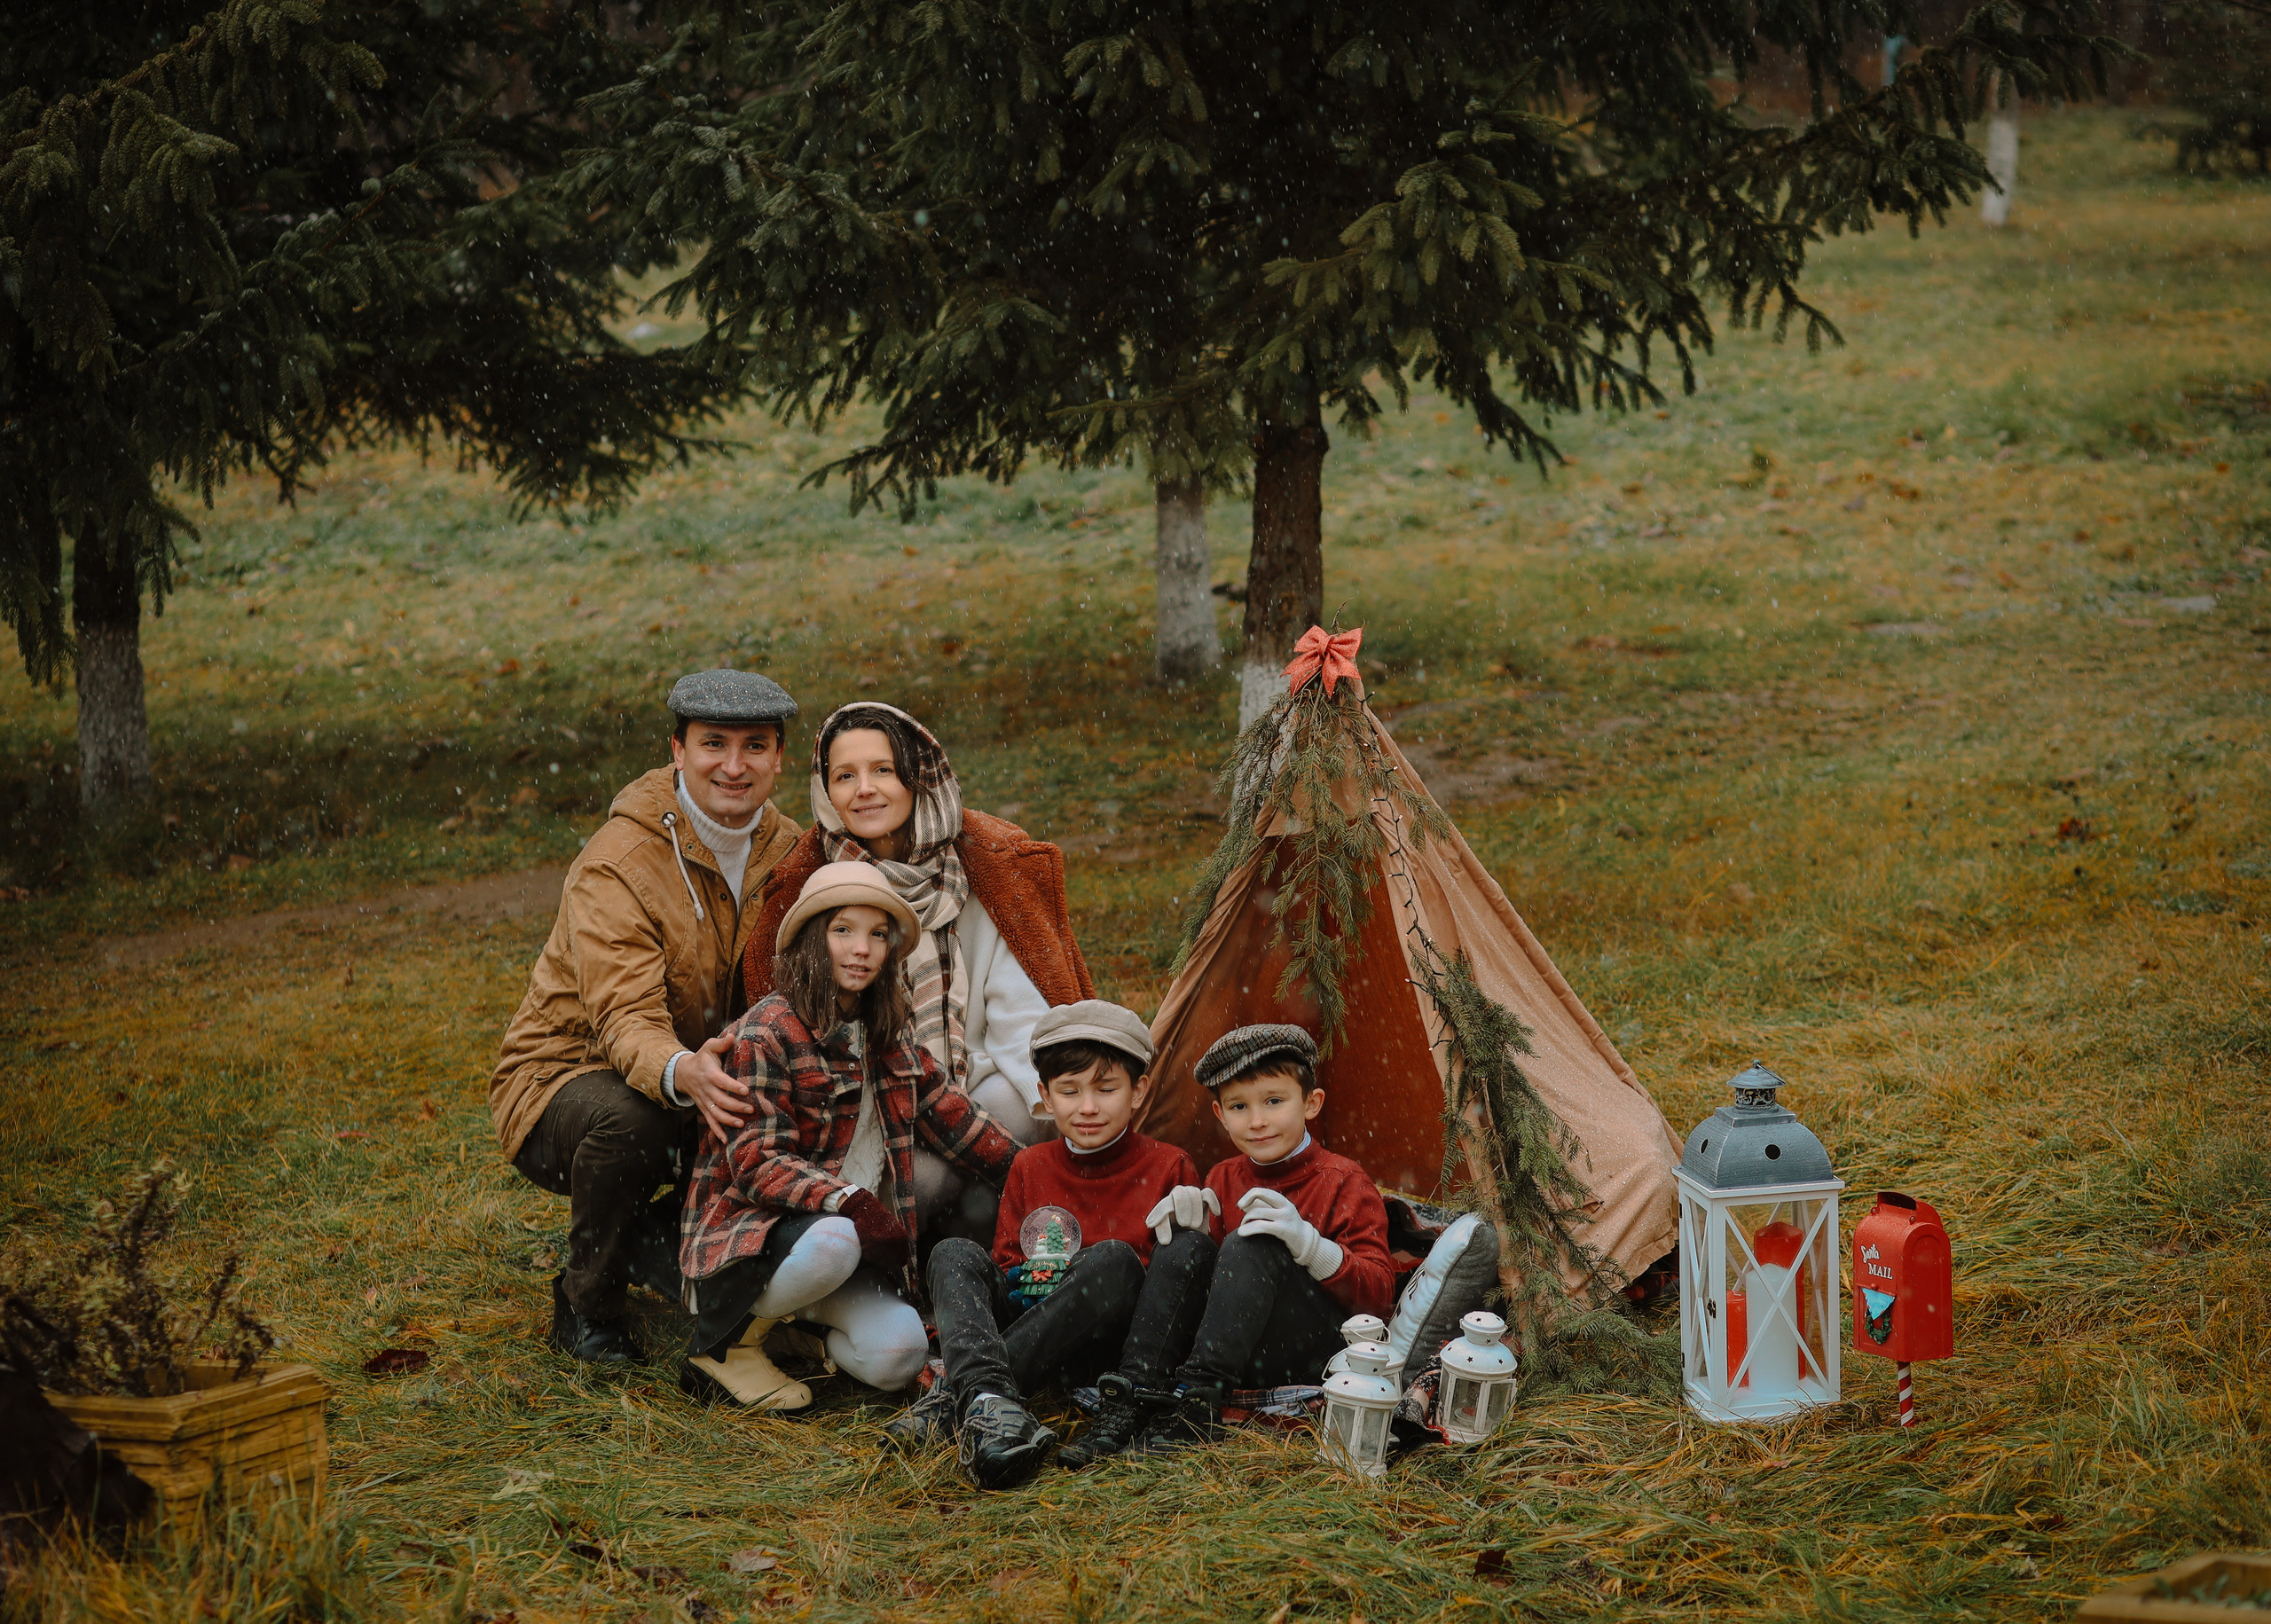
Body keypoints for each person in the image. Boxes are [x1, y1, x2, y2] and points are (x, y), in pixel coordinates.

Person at [491, 670, 801, 1364]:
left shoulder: (793, 854)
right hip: (565, 1078)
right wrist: (683, 1069)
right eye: (712, 743)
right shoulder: (619, 863)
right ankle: (587, 1304)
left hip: (707, 1069)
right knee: (637, 1120)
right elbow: (623, 1018)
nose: (733, 765)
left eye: (755, 746)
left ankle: (668, 1245)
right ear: (677, 750)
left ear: (780, 757)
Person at [678, 863, 1025, 1412]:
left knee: (901, 1354)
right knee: (835, 1240)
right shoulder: (766, 1030)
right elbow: (757, 1161)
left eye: (878, 934)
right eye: (843, 930)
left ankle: (793, 1330)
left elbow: (957, 1120)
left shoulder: (886, 1031)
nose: (861, 948)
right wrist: (848, 1201)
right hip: (757, 1242)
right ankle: (725, 1346)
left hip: (844, 1249)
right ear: (812, 939)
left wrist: (1044, 1175)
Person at [745, 703, 1095, 1240]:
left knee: (1023, 1108)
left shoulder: (981, 872)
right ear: (826, 793)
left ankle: (1023, 1247)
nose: (865, 789)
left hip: (964, 1077)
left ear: (918, 775)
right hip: (864, 1103)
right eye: (845, 776)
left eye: (883, 770)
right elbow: (802, 1040)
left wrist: (1072, 1122)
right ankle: (925, 1281)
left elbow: (1022, 1017)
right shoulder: (813, 888)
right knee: (924, 1179)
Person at [884, 1001, 1212, 1488]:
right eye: (1069, 1091)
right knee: (952, 1253)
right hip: (1036, 1322)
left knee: (1114, 1261)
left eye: (1106, 1089)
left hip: (1105, 1343)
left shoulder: (1169, 1166)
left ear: (1139, 1091)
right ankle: (990, 1399)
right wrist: (1039, 1276)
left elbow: (1165, 1287)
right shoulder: (1031, 1165)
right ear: (1044, 1095)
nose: (1087, 1108)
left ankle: (960, 1397)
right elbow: (1009, 1264)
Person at [1145, 1024, 1397, 1447]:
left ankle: (1198, 1399)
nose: (1258, 1121)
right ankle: (1144, 1389)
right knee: (1186, 1245)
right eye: (1239, 1107)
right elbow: (1228, 1287)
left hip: (1314, 1351)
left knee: (1255, 1240)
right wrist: (1199, 1241)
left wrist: (1311, 1247)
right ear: (1220, 1115)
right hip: (1243, 1352)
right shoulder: (1223, 1177)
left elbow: (1378, 1295)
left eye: (1274, 1101)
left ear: (1311, 1103)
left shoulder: (1343, 1179)